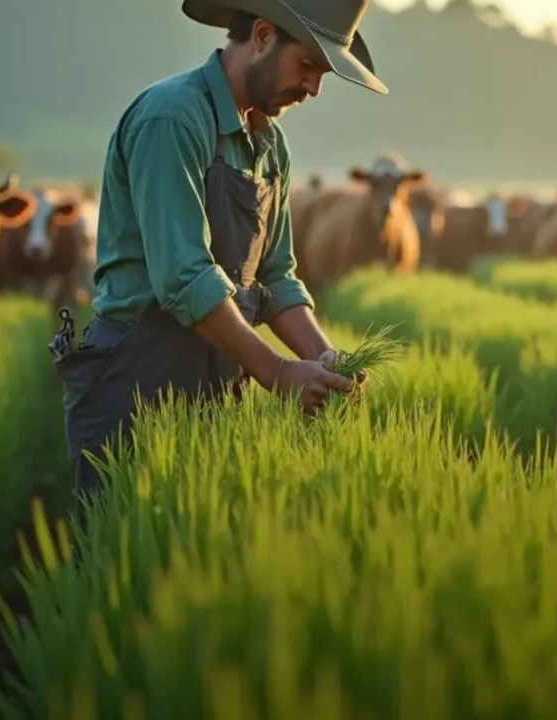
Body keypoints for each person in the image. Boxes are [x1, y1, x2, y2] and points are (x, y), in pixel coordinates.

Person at [54, 0, 390, 496]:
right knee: (129, 554)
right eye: (308, 66)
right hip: (137, 374)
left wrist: (326, 360)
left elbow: (276, 276)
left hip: (223, 377)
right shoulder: (172, 118)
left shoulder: (270, 146)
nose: (314, 89)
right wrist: (276, 371)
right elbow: (184, 276)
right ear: (260, 36)